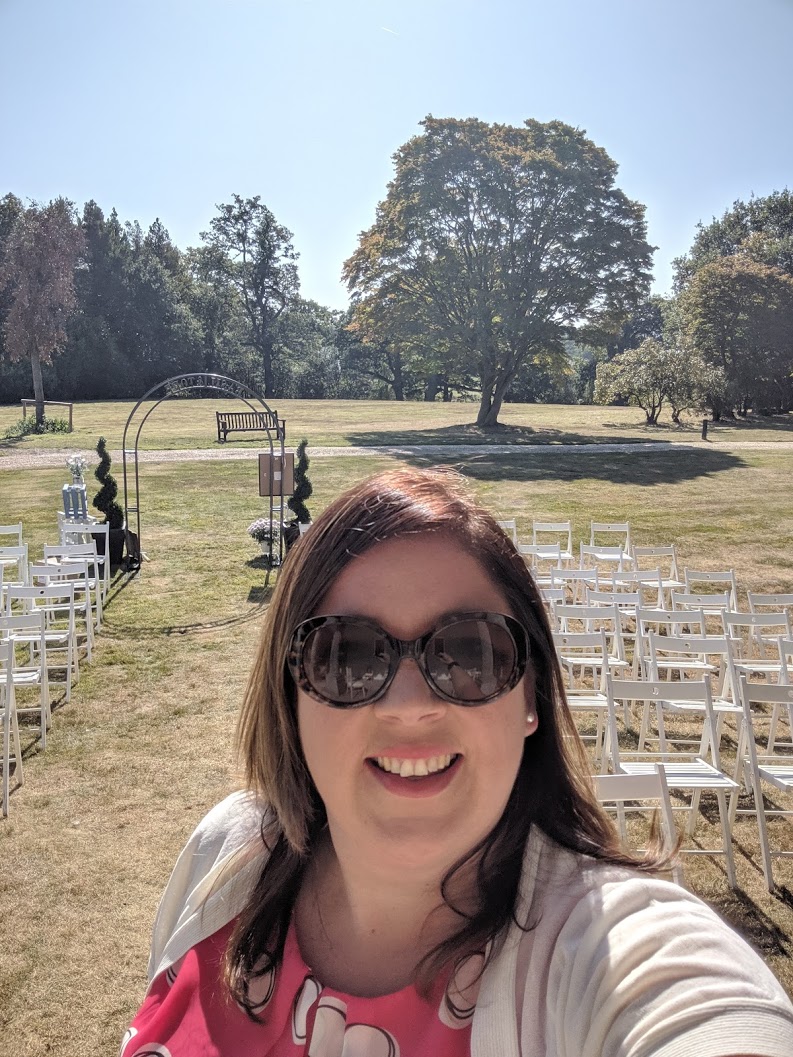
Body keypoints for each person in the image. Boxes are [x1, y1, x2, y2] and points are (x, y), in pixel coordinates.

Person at [123, 468, 793, 1057]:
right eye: (347, 655)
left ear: (530, 694)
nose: (408, 705)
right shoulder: (228, 851)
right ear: (290, 694)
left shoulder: (613, 952)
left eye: (469, 653)